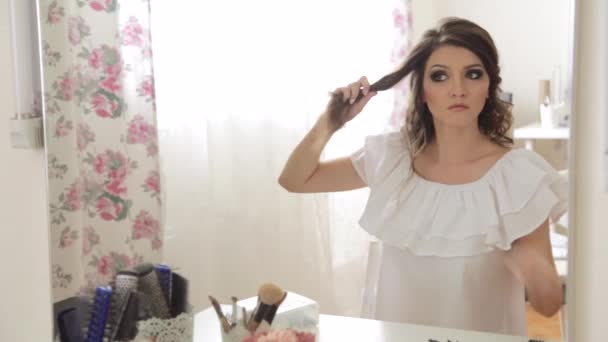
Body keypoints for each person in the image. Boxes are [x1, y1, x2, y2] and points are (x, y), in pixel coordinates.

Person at [278, 17, 567, 336]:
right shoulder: (393, 160)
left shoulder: (517, 176)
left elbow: (549, 303)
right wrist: (330, 122)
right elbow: (295, 180)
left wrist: (527, 262)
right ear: (423, 93)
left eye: (473, 74)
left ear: (489, 86)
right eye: (440, 76)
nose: (458, 89)